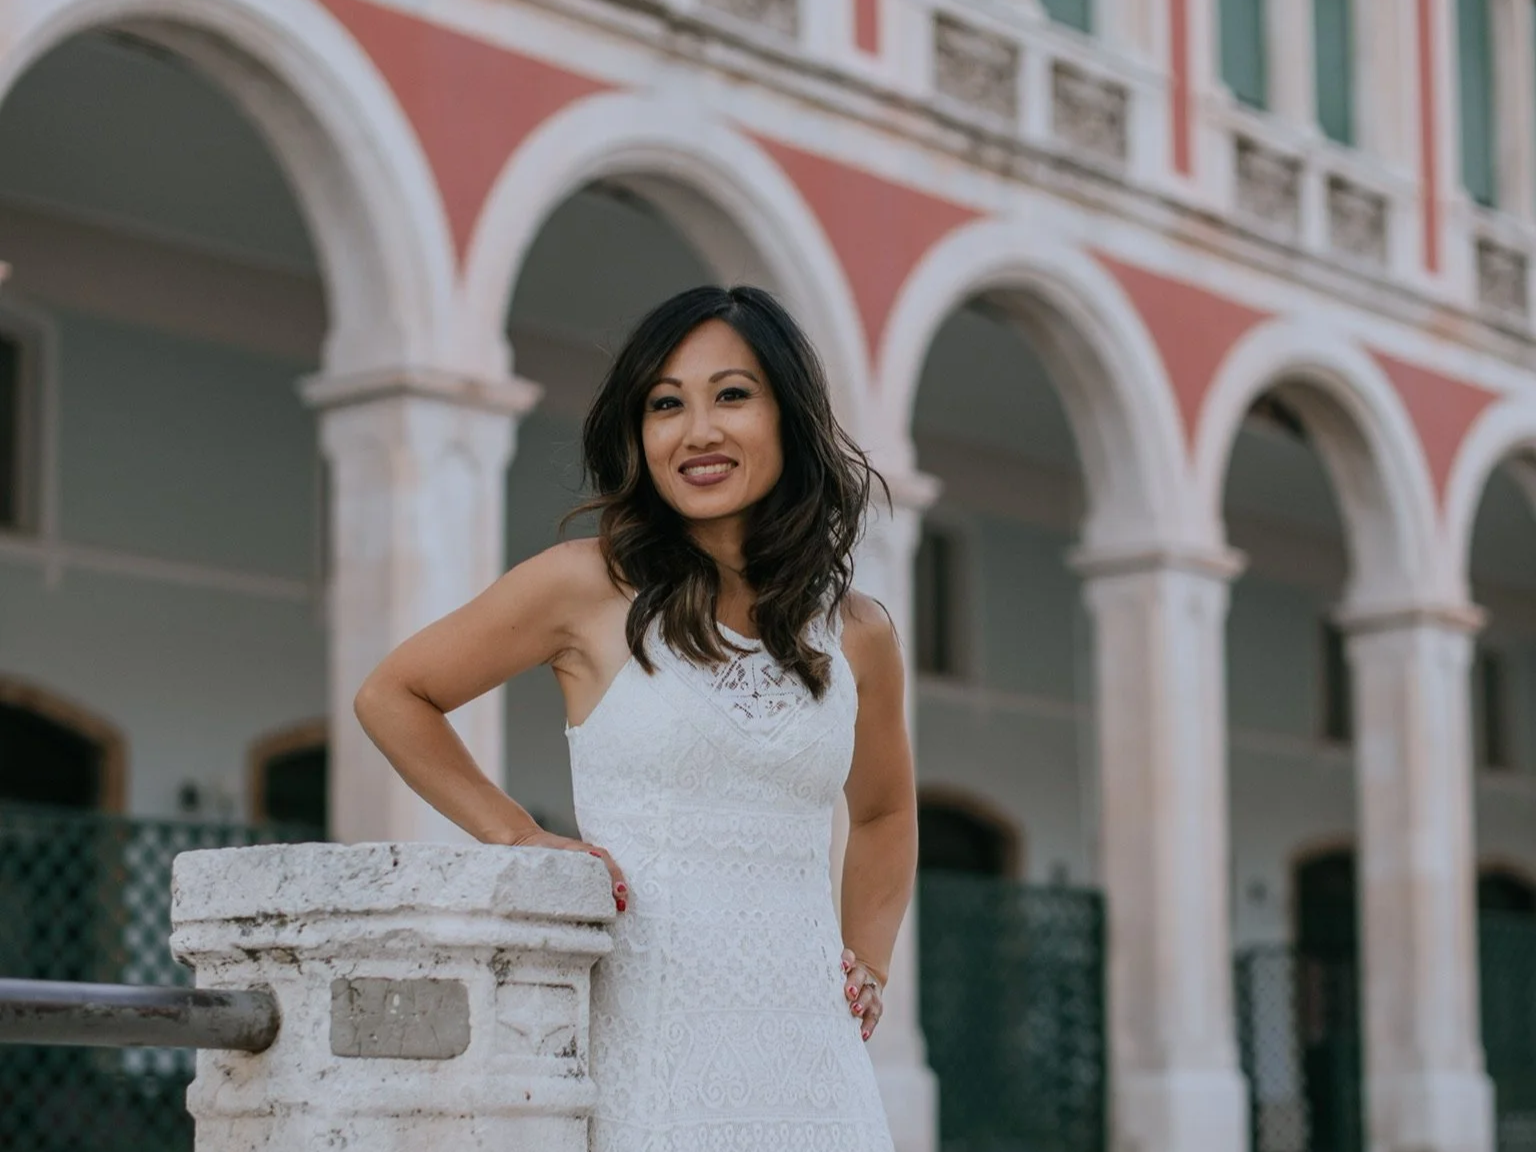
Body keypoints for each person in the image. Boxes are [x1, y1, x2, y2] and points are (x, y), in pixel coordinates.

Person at [354, 284, 918, 1150]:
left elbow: (882, 812)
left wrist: (867, 958)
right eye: (666, 404)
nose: (697, 431)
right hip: (654, 1056)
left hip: (817, 1063)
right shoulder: (584, 586)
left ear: (788, 418)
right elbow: (395, 696)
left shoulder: (858, 632)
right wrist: (514, 835)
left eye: (732, 395)